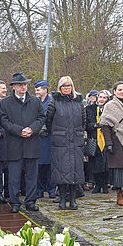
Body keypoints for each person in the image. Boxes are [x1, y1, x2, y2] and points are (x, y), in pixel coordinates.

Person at [0, 72, 45, 213]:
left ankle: (30, 201)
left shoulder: (35, 101)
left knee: (32, 176)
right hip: (14, 144)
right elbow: (4, 121)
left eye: (24, 84)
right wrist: (20, 131)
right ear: (13, 87)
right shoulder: (5, 102)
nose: (23, 87)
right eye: (20, 85)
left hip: (32, 143)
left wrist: (32, 129)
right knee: (14, 177)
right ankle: (14, 202)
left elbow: (41, 118)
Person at [45, 76, 86, 210]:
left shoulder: (78, 103)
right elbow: (48, 121)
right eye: (64, 86)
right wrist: (58, 134)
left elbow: (83, 121)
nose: (67, 88)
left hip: (75, 141)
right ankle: (62, 199)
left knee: (75, 171)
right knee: (61, 171)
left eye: (69, 86)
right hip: (60, 142)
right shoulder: (54, 102)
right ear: (60, 88)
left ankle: (73, 199)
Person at [86, 90, 109, 194]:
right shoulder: (89, 109)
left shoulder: (110, 109)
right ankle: (97, 184)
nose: (101, 99)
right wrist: (94, 125)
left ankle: (105, 184)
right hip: (94, 139)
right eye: (100, 97)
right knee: (94, 163)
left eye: (104, 98)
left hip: (106, 139)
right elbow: (85, 124)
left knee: (105, 163)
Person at [35, 80, 55, 199]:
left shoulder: (52, 102)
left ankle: (51, 189)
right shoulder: (34, 102)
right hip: (38, 137)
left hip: (49, 137)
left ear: (45, 90)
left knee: (50, 165)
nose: (36, 92)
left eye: (38, 90)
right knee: (39, 165)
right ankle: (39, 189)